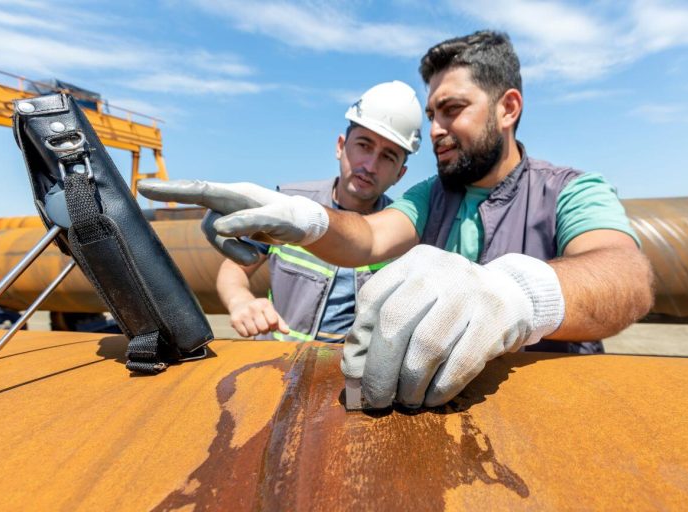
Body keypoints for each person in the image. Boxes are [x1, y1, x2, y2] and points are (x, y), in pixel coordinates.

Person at [139, 30, 654, 409]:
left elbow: (625, 276)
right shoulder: (433, 194)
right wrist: (306, 220)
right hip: (449, 407)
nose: (436, 128)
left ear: (508, 108)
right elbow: (365, 237)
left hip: (558, 407)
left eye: (451, 109)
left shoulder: (569, 189)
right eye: (431, 115)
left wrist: (515, 295)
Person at [215, 81, 422, 342]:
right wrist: (240, 301)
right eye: (364, 146)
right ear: (340, 146)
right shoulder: (290, 204)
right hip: (276, 364)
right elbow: (233, 269)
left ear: (400, 174)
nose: (370, 165)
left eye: (388, 157)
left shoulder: (402, 232)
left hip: (346, 375)